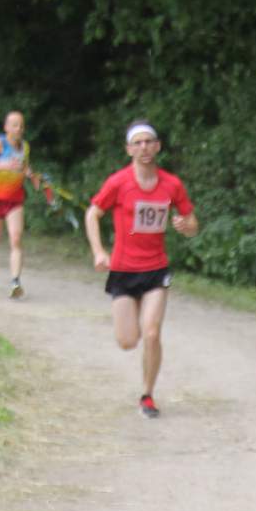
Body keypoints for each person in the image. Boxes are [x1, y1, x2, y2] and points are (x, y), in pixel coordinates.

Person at [85, 121, 199, 417]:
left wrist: (185, 226)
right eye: (138, 143)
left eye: (149, 142)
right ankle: (135, 345)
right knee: (127, 341)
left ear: (158, 146)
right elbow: (92, 214)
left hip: (155, 270)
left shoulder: (171, 184)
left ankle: (147, 395)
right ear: (129, 149)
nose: (144, 147)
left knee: (151, 333)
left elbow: (192, 223)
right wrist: (99, 251)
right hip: (123, 270)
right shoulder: (118, 182)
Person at [0, 110, 39, 297]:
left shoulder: (25, 147)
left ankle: (15, 282)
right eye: (15, 125)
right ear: (6, 128)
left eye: (21, 125)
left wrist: (32, 176)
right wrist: (4, 165)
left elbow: (24, 166)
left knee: (16, 238)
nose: (19, 129)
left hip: (14, 199)